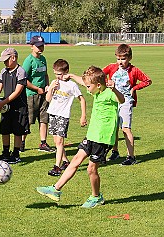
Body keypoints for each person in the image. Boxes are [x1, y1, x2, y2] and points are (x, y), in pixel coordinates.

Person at [36, 66, 125, 208]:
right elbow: (84, 82)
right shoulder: (96, 91)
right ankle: (56, 189)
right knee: (75, 161)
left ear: (98, 85)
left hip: (103, 138)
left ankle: (96, 197)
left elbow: (122, 100)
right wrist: (71, 75)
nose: (87, 88)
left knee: (91, 169)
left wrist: (114, 89)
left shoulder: (108, 93)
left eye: (89, 86)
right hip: (91, 135)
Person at [103, 44, 152, 165]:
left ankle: (131, 157)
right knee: (113, 127)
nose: (120, 62)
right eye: (118, 58)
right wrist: (106, 82)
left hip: (126, 101)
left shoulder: (134, 70)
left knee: (125, 128)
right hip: (113, 100)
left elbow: (147, 80)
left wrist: (134, 88)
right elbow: (99, 75)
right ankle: (115, 151)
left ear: (129, 58)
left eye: (123, 59)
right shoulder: (111, 67)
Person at [46, 59, 87, 176]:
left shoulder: (72, 85)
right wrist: (52, 88)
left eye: (60, 74)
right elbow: (48, 99)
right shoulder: (55, 82)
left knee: (59, 141)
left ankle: (56, 167)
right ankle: (65, 161)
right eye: (55, 74)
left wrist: (83, 115)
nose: (57, 77)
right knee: (56, 141)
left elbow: (82, 99)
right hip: (52, 113)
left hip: (63, 115)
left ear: (66, 71)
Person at [0, 48, 29, 164]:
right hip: (6, 108)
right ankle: (5, 153)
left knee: (18, 131)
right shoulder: (4, 71)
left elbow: (17, 92)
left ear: (13, 58)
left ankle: (16, 154)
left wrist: (3, 102)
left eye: (6, 60)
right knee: (5, 129)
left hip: (19, 107)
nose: (4, 63)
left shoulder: (21, 72)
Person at [21, 35, 54, 152]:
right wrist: (36, 88)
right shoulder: (29, 61)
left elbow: (45, 74)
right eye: (38, 46)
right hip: (31, 94)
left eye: (42, 46)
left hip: (43, 93)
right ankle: (21, 143)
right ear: (32, 46)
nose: (40, 48)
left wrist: (47, 86)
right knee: (28, 120)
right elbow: (24, 79)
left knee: (44, 118)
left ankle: (43, 142)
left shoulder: (43, 59)